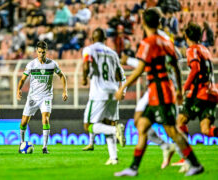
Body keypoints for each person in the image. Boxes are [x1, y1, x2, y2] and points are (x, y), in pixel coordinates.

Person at [114, 8, 203, 176]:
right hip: (160, 91)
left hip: (161, 92)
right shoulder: (166, 41)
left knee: (172, 131)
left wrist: (122, 87)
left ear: (144, 22)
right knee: (141, 124)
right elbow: (176, 66)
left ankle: (195, 164)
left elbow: (140, 69)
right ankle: (134, 168)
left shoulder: (148, 43)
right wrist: (178, 89)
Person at [173, 23, 218, 166]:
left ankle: (186, 158)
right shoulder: (205, 49)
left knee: (180, 121)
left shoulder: (191, 49)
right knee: (206, 130)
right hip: (212, 93)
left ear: (186, 36)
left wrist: (184, 88)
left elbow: (195, 68)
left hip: (199, 93)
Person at [81, 28, 126, 165]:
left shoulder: (89, 49)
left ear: (92, 39)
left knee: (88, 125)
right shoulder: (113, 53)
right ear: (105, 39)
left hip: (99, 92)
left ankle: (115, 129)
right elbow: (119, 74)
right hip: (113, 91)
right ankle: (113, 158)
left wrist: (84, 79)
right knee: (106, 122)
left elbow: (85, 65)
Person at [17, 41, 68, 154]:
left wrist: (65, 91)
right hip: (33, 97)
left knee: (45, 118)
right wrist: (18, 89)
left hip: (46, 96)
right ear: (36, 51)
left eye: (43, 52)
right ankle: (21, 142)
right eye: (39, 52)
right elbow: (22, 79)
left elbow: (62, 76)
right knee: (24, 121)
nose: (41, 54)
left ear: (46, 51)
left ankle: (44, 147)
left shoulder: (52, 64)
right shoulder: (31, 64)